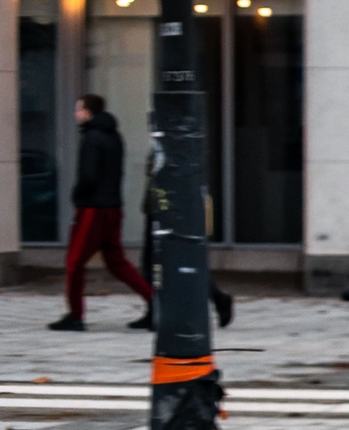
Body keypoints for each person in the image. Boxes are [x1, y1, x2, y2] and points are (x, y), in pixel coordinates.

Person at [50, 94, 152, 332]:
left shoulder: (91, 138)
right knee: (117, 262)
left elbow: (88, 176)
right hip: (113, 207)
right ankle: (154, 301)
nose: (76, 114)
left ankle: (75, 316)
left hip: (92, 209)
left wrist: (78, 195)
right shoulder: (114, 136)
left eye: (79, 109)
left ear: (89, 112)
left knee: (74, 262)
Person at [128, 122, 234, 333]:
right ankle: (154, 312)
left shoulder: (178, 145)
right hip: (156, 209)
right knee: (152, 264)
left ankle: (218, 299)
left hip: (171, 211)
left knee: (180, 263)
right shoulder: (161, 144)